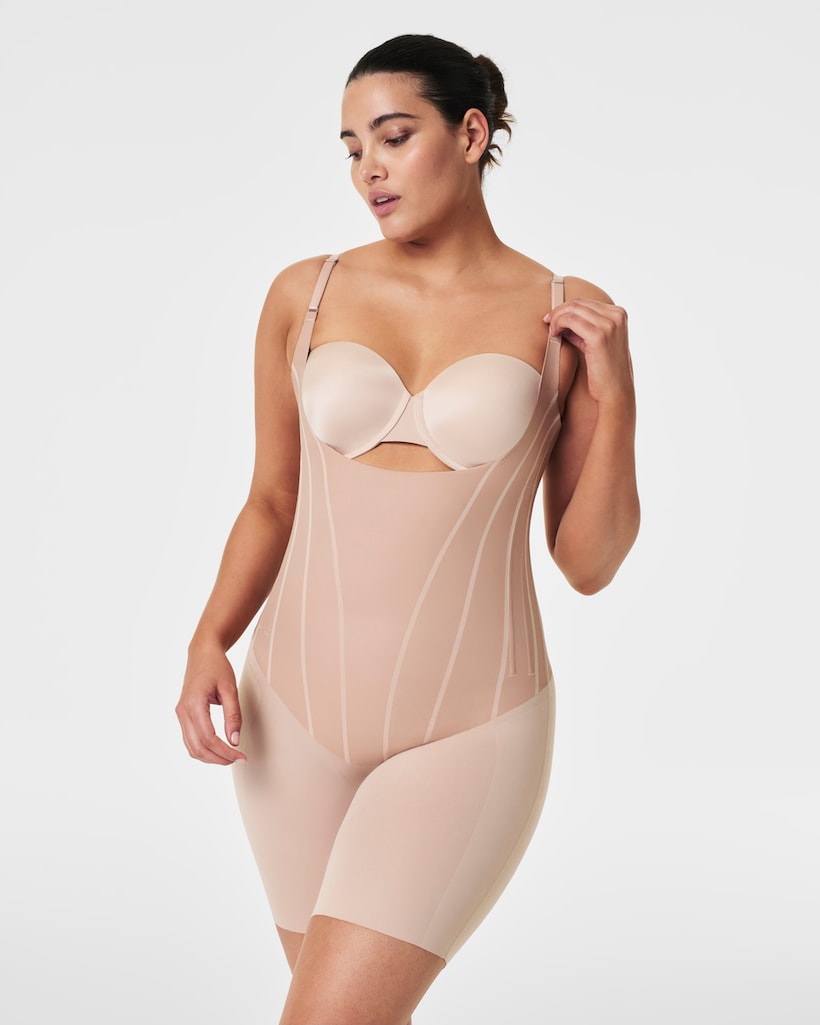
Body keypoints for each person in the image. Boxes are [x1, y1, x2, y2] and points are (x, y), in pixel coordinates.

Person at [175, 32, 639, 1025]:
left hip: (471, 729)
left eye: (393, 137)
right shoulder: (306, 293)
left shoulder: (567, 314)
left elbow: (589, 561)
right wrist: (209, 636)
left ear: (469, 134)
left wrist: (618, 398)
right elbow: (272, 498)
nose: (368, 171)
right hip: (290, 720)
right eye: (352, 149)